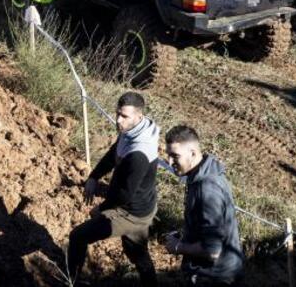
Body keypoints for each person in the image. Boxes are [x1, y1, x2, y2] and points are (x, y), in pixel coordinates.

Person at [67, 92, 159, 287]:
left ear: (139, 116)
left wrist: (102, 209)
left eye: (124, 116)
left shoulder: (140, 152)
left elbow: (124, 194)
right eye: (117, 113)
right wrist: (94, 176)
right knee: (137, 252)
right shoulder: (132, 130)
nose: (118, 120)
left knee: (78, 236)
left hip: (132, 212)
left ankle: (71, 281)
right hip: (140, 204)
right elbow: (113, 153)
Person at [163, 125, 244, 285]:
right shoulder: (200, 173)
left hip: (214, 276)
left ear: (192, 153)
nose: (170, 161)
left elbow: (212, 250)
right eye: (168, 155)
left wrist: (178, 247)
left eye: (175, 156)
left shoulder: (207, 189)